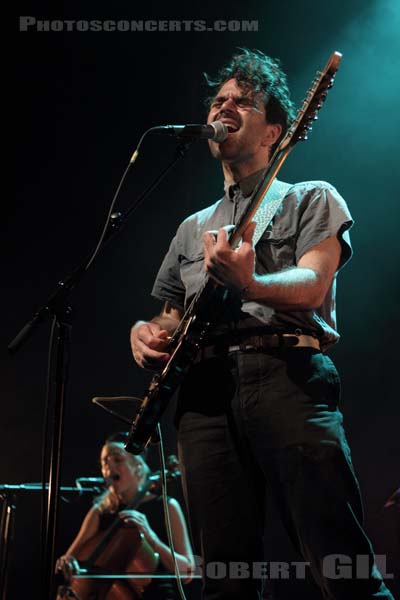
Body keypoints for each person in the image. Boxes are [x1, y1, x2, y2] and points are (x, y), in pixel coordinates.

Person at [130, 49, 395, 599]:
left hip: (287, 376)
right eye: (218, 100)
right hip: (204, 395)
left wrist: (249, 283)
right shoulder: (192, 227)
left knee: (336, 555)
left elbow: (314, 284)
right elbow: (171, 312)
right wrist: (148, 331)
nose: (224, 108)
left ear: (276, 129)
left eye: (242, 102)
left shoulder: (309, 198)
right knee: (224, 574)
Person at [55, 433, 194, 599]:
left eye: (117, 459)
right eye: (104, 462)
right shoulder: (100, 511)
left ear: (138, 466)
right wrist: (66, 562)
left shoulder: (166, 506)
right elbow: (70, 558)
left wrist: (151, 537)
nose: (108, 467)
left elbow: (188, 572)